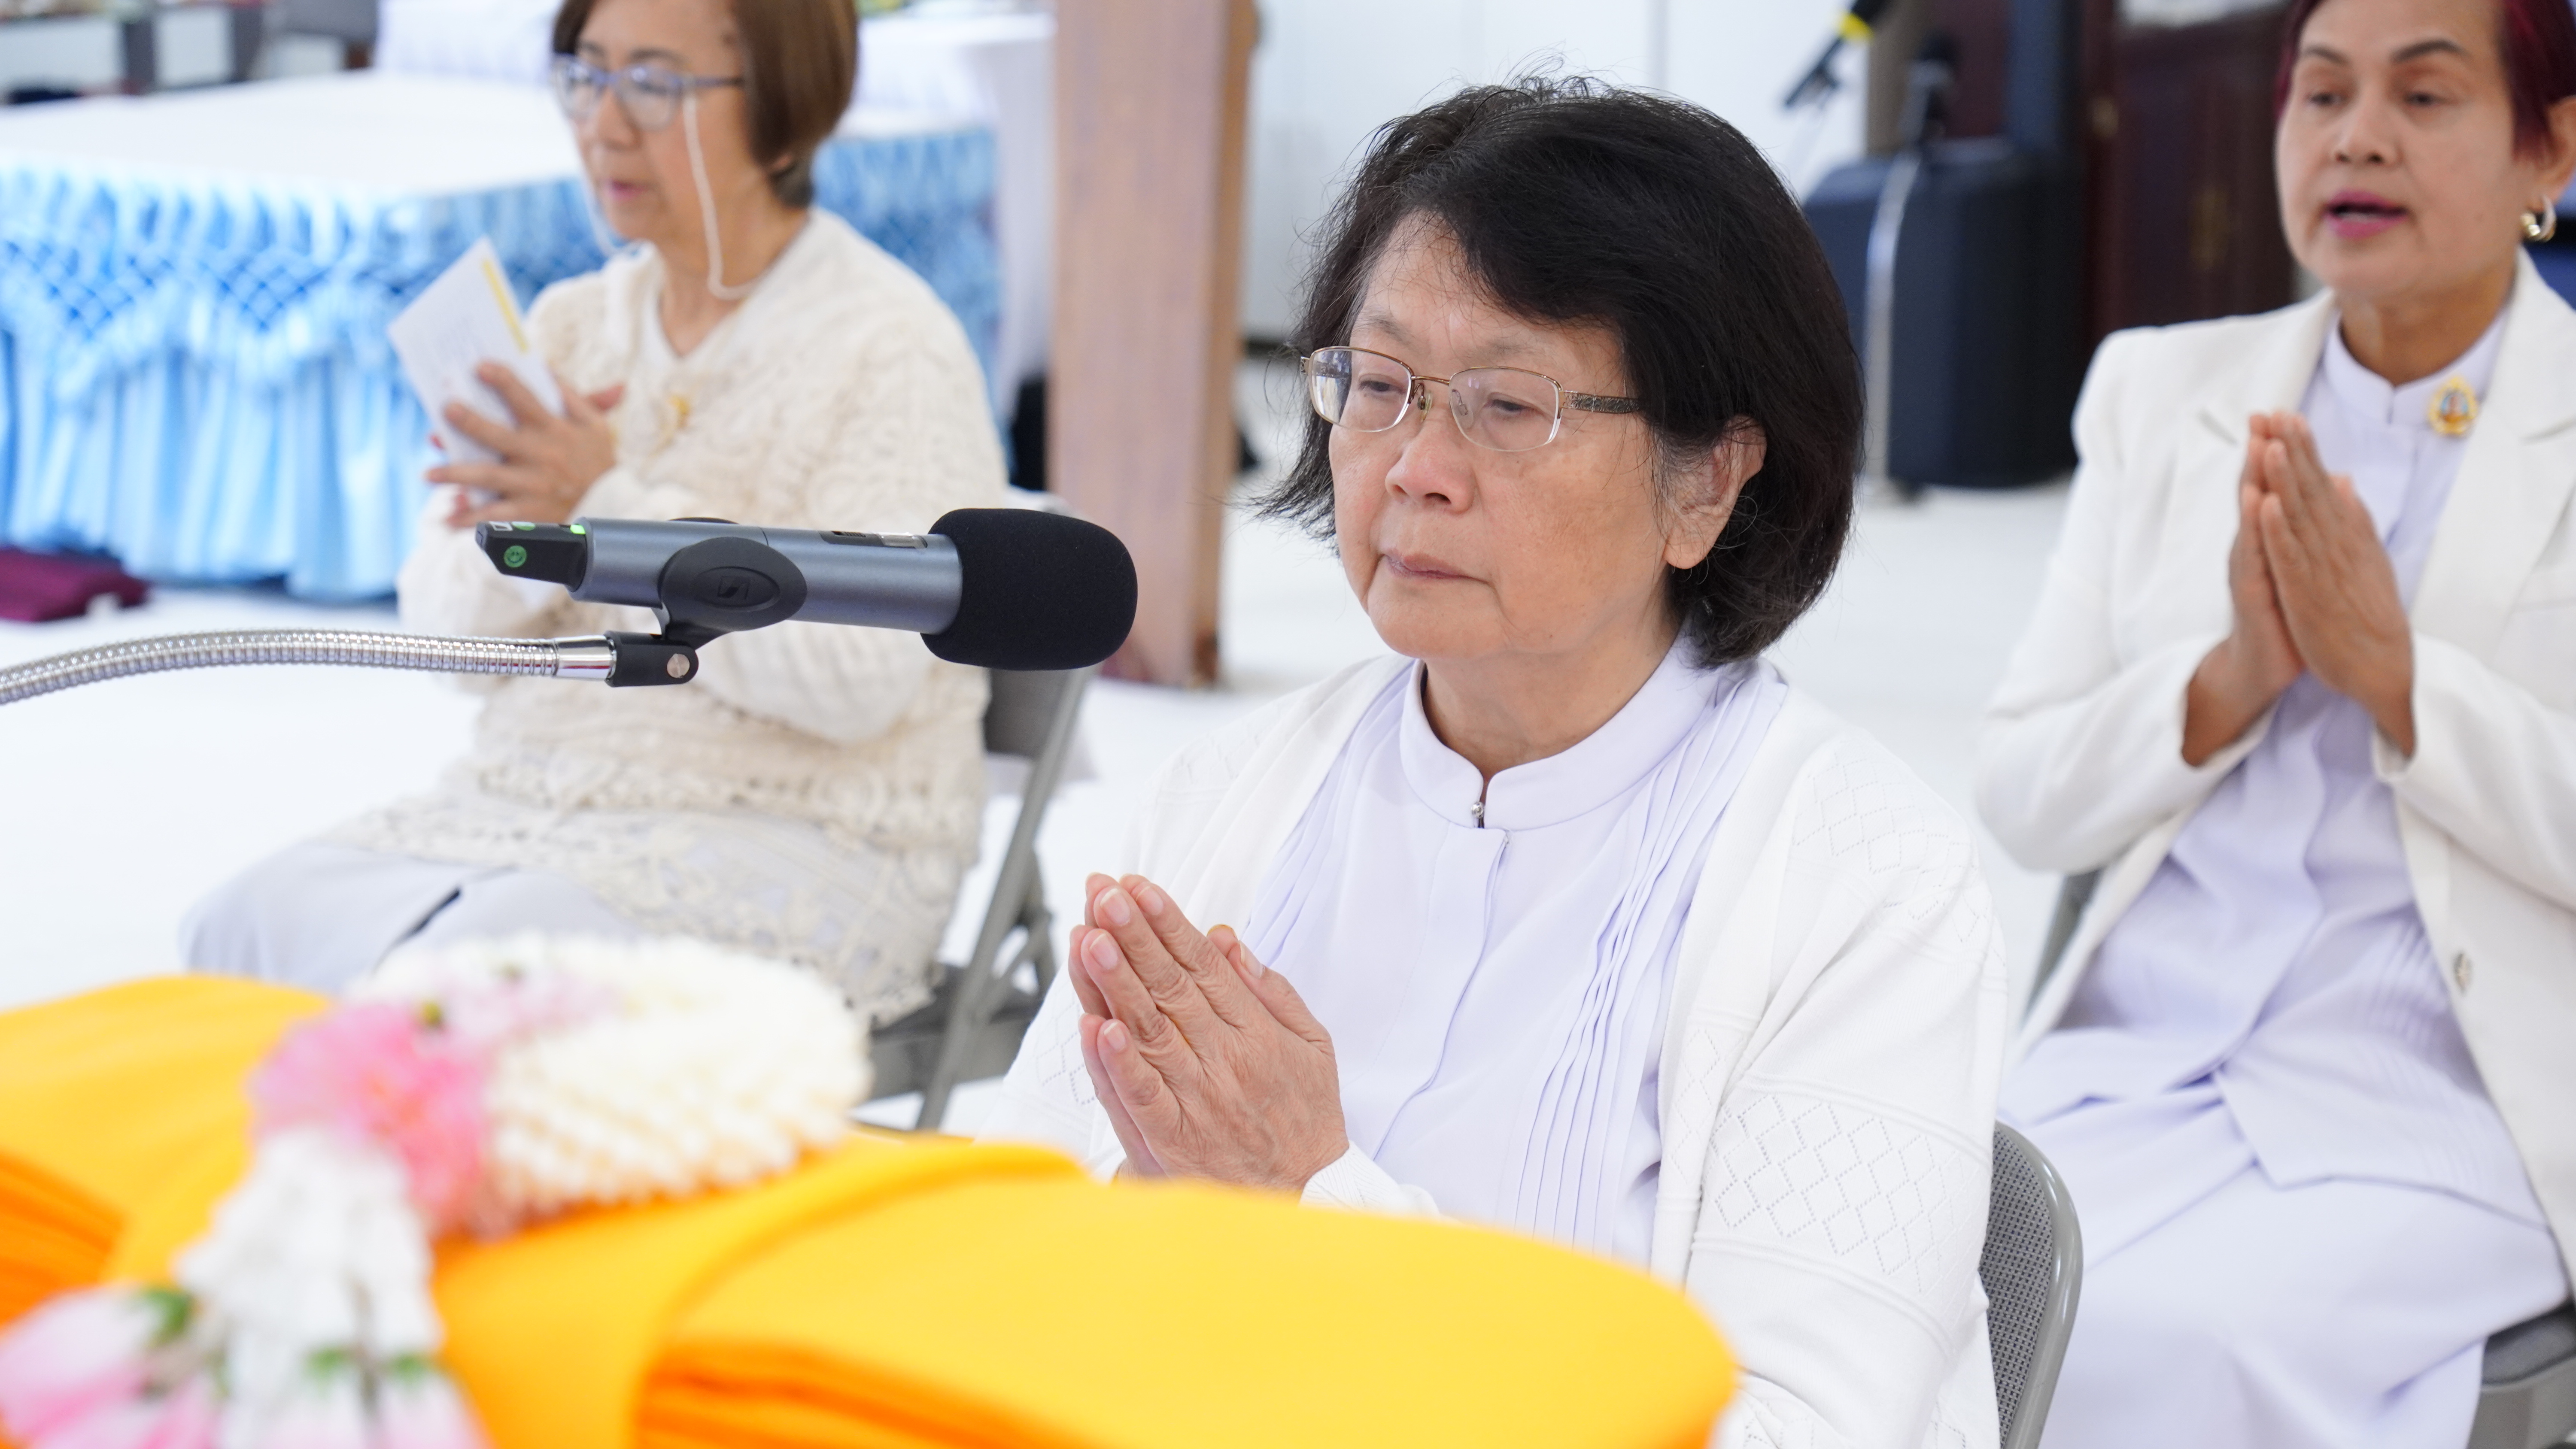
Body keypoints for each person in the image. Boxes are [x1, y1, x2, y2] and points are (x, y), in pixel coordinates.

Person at [982, 79, 2009, 1449]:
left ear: (1708, 481)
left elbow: (1799, 1431)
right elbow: (1001, 1261)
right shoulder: (1228, 797)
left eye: (1508, 405)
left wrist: (1311, 1194)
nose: (1415, 468)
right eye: (1383, 385)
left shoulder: (1862, 888)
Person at [1980, 0, 2576, 1440]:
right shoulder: (2161, 391)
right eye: (2321, 94)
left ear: (2550, 150)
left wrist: (2398, 679)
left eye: (2425, 99)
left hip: (2445, 1098)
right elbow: (2023, 789)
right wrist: (2230, 677)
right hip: (2135, 1052)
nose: (2356, 135)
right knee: (1891, 1280)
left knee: (2168, 1347)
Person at [183, 0, 1005, 1022]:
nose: (604, 124)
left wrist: (603, 507)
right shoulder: (573, 323)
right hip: (534, 804)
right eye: (587, 74)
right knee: (237, 933)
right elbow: (446, 638)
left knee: (460, 995)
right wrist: (516, 523)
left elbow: (861, 679)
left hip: (801, 827)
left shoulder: (890, 347)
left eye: (656, 84)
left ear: (787, 112)